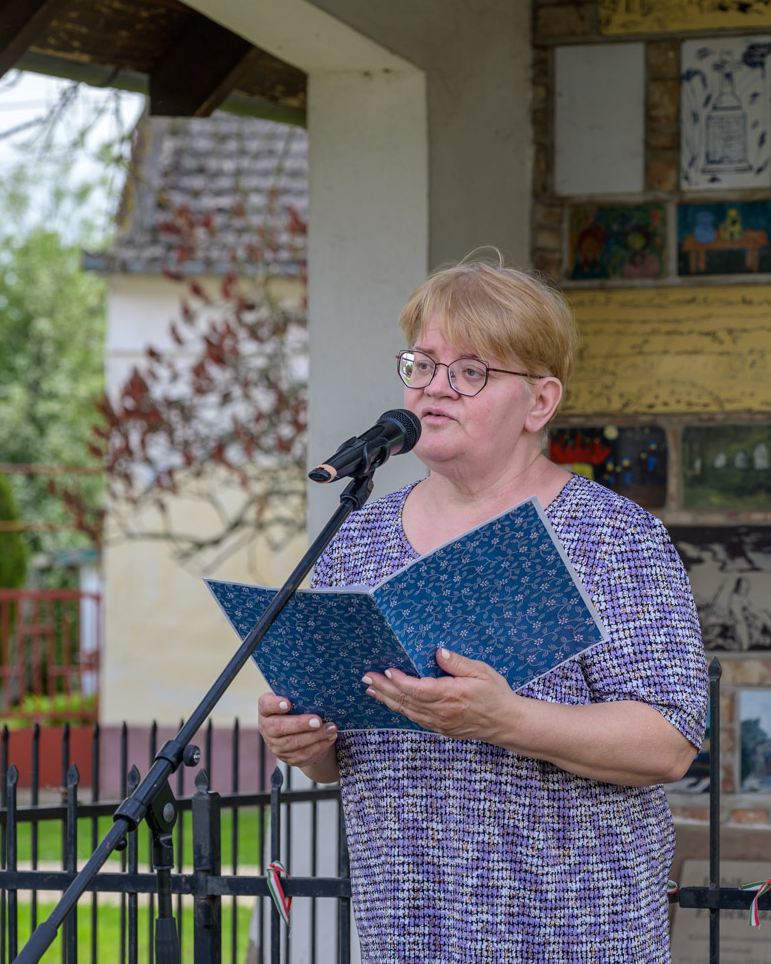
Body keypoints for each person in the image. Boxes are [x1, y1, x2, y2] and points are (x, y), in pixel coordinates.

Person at [255, 256, 707, 963]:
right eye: (422, 364)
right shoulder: (359, 538)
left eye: (471, 372)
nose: (434, 388)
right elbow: (344, 760)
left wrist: (507, 720)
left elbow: (669, 743)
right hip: (406, 932)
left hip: (570, 936)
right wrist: (307, 744)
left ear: (539, 402)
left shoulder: (611, 536)